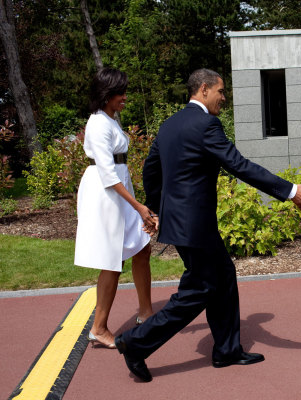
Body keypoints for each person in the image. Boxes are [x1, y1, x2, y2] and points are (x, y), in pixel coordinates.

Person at [114, 68, 301, 382]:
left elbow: (151, 169)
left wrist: (155, 208)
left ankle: (227, 350)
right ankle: (136, 343)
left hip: (183, 224)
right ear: (204, 89)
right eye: (221, 91)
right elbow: (239, 165)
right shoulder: (207, 124)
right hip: (195, 225)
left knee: (223, 276)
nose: (224, 97)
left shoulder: (170, 125)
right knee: (199, 289)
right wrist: (289, 191)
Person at [74, 68, 156, 349]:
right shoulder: (97, 123)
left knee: (141, 246)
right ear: (106, 94)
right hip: (105, 193)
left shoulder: (109, 119)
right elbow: (107, 174)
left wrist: (134, 201)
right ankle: (98, 327)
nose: (125, 97)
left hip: (118, 189)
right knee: (113, 258)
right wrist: (138, 206)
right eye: (120, 92)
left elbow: (116, 171)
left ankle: (146, 313)